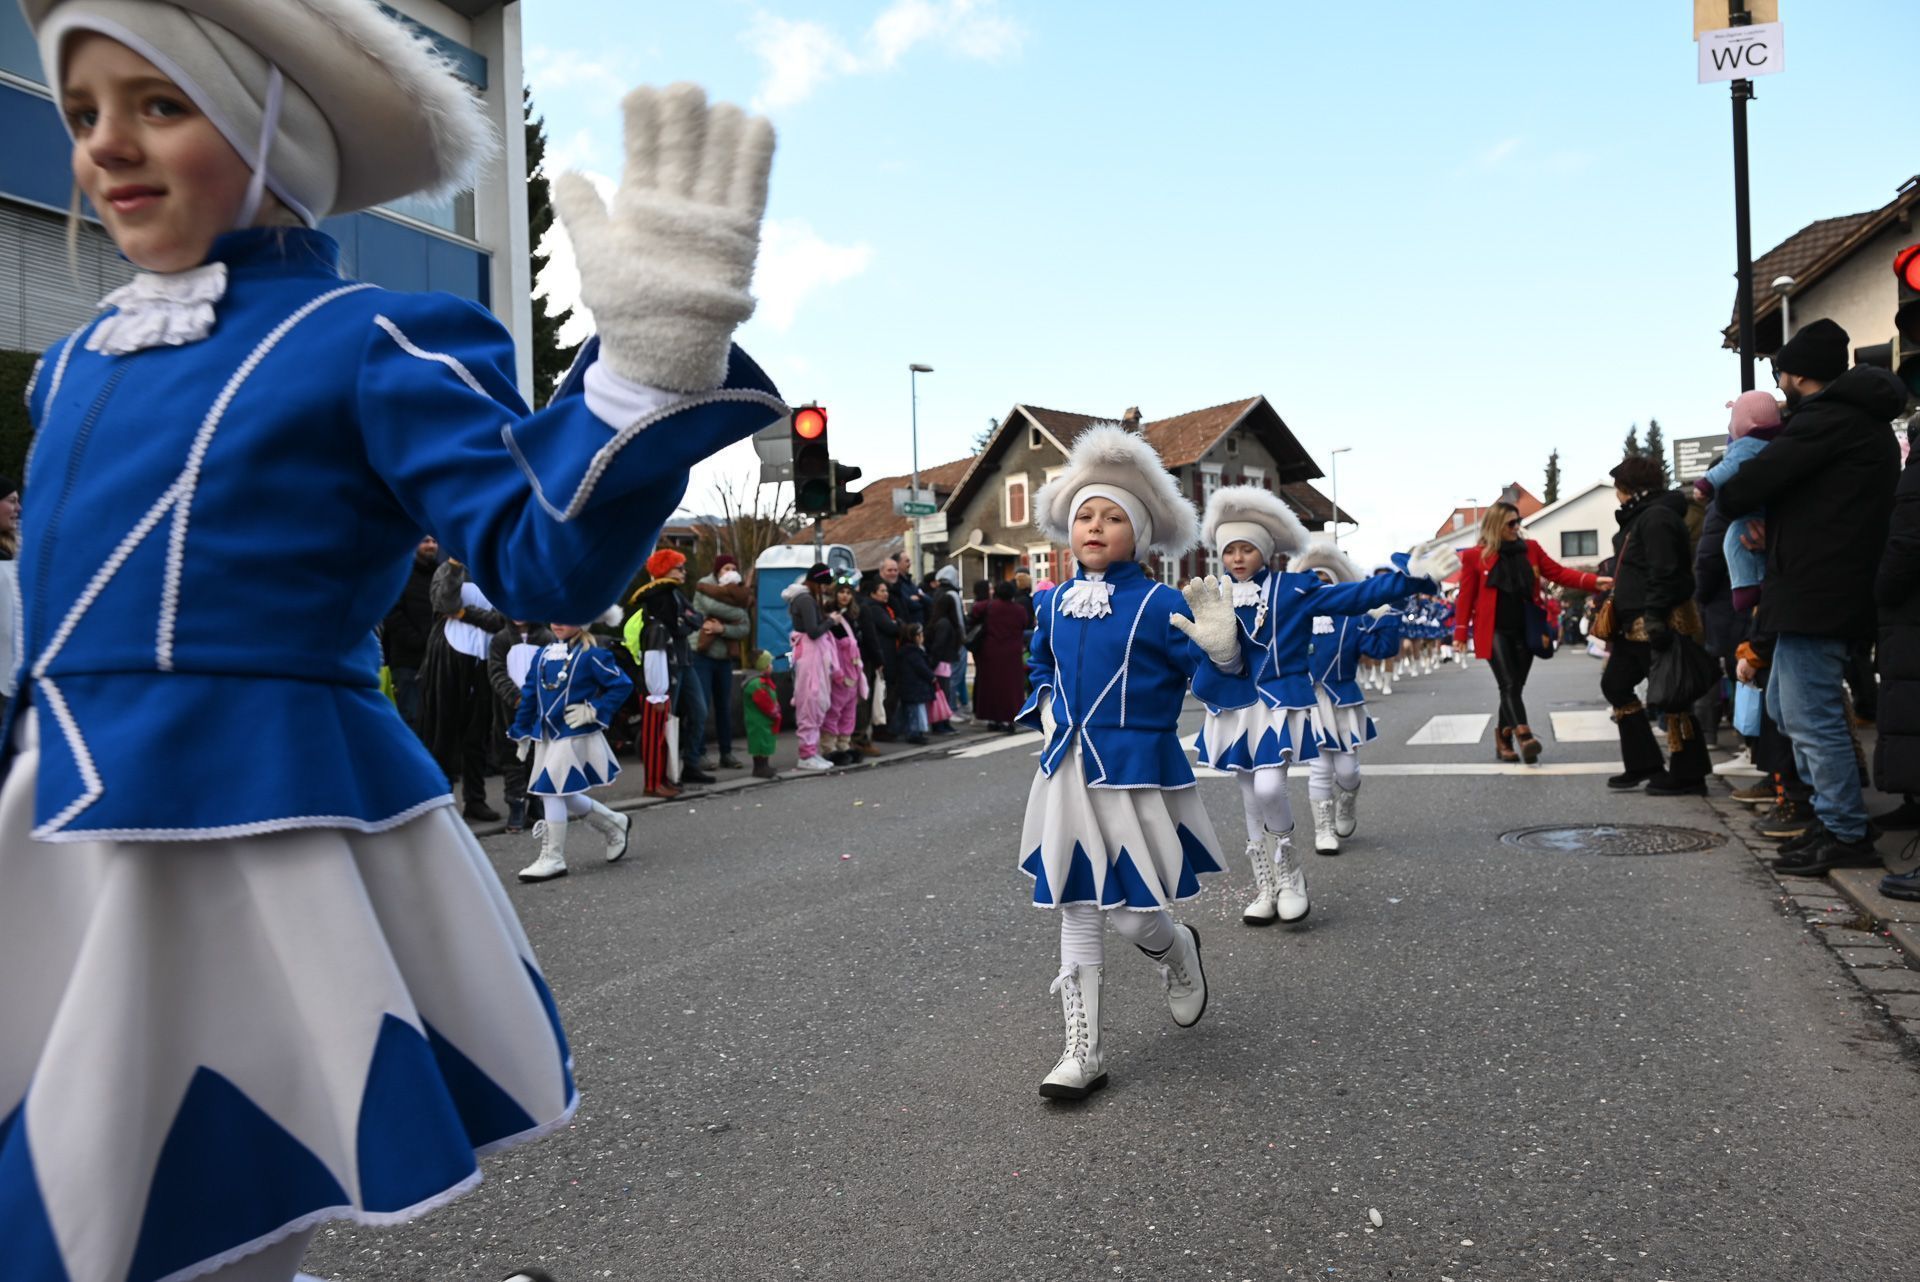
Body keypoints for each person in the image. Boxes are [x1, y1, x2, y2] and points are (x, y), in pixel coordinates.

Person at [3, 5, 785, 1276]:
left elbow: (540, 559)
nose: (107, 147)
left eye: (159, 105)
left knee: (168, 1213)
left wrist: (642, 372)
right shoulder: (75, 360)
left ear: (276, 127)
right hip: (54, 818)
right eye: (83, 111)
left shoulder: (371, 338)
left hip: (244, 820)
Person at [1016, 425, 1238, 1100]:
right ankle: (1082, 1050)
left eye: (1113, 516)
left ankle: (1178, 952)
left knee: (1136, 917)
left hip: (1136, 772)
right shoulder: (1050, 602)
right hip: (1068, 772)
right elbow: (1039, 665)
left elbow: (1214, 681)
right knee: (1077, 905)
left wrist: (1224, 653)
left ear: (1138, 535)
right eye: (1085, 514)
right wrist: (1046, 700)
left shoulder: (1161, 602)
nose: (1095, 525)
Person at [1196, 490, 1447, 919]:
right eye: (1229, 550)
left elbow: (1354, 597)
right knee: (1250, 799)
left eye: (1247, 548)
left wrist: (1408, 582)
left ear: (1266, 551)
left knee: (1270, 787)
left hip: (1276, 703)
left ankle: (1291, 873)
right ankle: (1266, 888)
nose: (1237, 558)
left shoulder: (1294, 588)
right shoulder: (1214, 594)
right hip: (1234, 706)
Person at [1718, 318, 1906, 873]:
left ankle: (1844, 830)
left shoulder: (1827, 421)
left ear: (1795, 373)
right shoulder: (1858, 423)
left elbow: (1746, 485)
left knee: (1810, 713)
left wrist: (1751, 508)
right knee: (1787, 706)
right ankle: (1832, 819)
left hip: (1817, 589)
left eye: (1781, 374)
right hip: (1827, 584)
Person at [1453, 501, 1607, 763]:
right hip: (1493, 629)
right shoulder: (1474, 556)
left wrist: (1592, 581)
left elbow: (1558, 573)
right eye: (1511, 523)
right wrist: (1459, 634)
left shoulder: (1531, 550)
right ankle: (1524, 736)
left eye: (1518, 522)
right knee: (1509, 683)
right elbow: (1466, 598)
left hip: (1527, 628)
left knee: (1515, 686)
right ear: (1496, 525)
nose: (1517, 528)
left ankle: (1503, 738)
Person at [1599, 455, 1711, 795]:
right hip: (1633, 621)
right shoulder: (1645, 517)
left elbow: (1666, 571)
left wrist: (1654, 617)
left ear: (1631, 489)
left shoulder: (1657, 517)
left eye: (1619, 488)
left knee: (1674, 696)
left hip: (1655, 621)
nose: (1617, 496)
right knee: (1617, 686)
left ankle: (1688, 776)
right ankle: (1644, 765)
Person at [509, 618, 634, 883]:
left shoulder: (593, 654)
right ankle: (613, 823)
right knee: (562, 793)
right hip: (548, 736)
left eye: (566, 617)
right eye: (553, 617)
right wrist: (520, 729)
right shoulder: (543, 654)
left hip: (574, 732)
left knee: (551, 789)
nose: (557, 623)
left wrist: (594, 709)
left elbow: (622, 684)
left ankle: (553, 858)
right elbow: (530, 693)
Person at [421, 554, 506, 821]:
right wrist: (455, 567)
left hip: (486, 658)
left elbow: (503, 620)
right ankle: (439, 802)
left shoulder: (501, 570)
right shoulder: (449, 569)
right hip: (450, 656)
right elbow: (444, 603)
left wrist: (465, 613)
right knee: (442, 731)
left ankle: (475, 800)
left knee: (477, 735)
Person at [1695, 390, 1784, 614]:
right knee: (1759, 553)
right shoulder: (1779, 444)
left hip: (1748, 516)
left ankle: (1744, 587)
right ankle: (1762, 581)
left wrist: (1705, 483)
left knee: (1733, 543)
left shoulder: (1746, 447)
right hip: (1768, 514)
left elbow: (1728, 466)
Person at [626, 548, 696, 797]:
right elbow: (653, 662)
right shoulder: (656, 628)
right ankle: (652, 783)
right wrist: (657, 694)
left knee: (661, 737)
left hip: (660, 690)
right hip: (655, 692)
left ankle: (661, 779)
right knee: (654, 738)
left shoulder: (660, 628)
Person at [488, 617, 557, 833]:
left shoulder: (546, 638)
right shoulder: (501, 639)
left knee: (538, 757)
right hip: (510, 712)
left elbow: (553, 669)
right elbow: (496, 672)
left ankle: (537, 806)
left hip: (539, 709)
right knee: (512, 759)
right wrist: (516, 698)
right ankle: (516, 805)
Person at [689, 553, 752, 770]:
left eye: (733, 567)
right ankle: (699, 753)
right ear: (717, 570)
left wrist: (721, 629)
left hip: (724, 658)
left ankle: (727, 753)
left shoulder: (739, 590)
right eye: (726, 568)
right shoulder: (705, 586)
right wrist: (740, 610)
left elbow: (745, 627)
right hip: (702, 655)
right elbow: (711, 608)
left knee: (724, 707)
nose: (730, 571)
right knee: (701, 706)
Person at [380, 532, 437, 729]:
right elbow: (392, 613)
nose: (430, 545)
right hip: (407, 663)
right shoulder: (400, 575)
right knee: (411, 717)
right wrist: (417, 640)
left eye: (434, 541)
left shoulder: (440, 575)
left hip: (436, 663)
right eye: (425, 541)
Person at [784, 561, 836, 771]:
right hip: (810, 655)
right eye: (823, 585)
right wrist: (831, 621)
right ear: (816, 582)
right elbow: (813, 631)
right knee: (810, 700)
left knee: (814, 701)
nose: (824, 589)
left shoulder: (802, 598)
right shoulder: (805, 599)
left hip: (809, 654)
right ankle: (806, 755)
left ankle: (811, 752)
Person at [971, 580, 1030, 731]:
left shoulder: (989, 606)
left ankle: (993, 719)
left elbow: (975, 611)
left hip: (990, 652)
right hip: (1012, 653)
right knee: (1011, 687)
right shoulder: (1019, 610)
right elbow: (1025, 623)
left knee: (991, 687)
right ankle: (1010, 718)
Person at [823, 581, 869, 765]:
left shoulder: (852, 617)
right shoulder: (831, 618)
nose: (845, 596)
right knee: (834, 709)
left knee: (849, 710)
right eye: (841, 592)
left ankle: (844, 743)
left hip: (853, 671)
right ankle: (829, 746)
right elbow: (828, 648)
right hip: (839, 671)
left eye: (848, 593)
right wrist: (835, 671)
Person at [860, 576, 902, 740]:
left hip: (887, 653)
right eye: (882, 591)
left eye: (886, 591)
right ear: (873, 593)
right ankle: (881, 728)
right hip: (884, 655)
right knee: (884, 694)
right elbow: (890, 628)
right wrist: (898, 623)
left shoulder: (882, 607)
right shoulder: (874, 609)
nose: (886, 594)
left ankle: (884, 727)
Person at [743, 648, 783, 778]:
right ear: (763, 666)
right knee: (760, 743)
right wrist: (774, 711)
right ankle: (760, 768)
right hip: (759, 720)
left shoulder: (762, 682)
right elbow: (764, 701)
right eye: (769, 664)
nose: (771, 666)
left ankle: (764, 766)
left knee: (765, 742)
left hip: (764, 720)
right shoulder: (756, 684)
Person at [896, 621, 937, 745]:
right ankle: (914, 733)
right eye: (920, 635)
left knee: (913, 711)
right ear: (915, 637)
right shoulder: (913, 652)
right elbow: (921, 668)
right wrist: (931, 677)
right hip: (915, 687)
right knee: (914, 712)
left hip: (911, 687)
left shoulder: (908, 651)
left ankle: (915, 732)